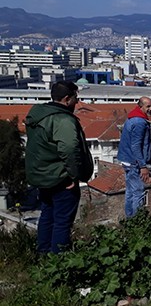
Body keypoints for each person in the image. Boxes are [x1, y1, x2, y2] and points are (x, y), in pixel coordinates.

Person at [25, 81, 94, 254]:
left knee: (47, 215)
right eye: (75, 98)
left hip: (43, 175)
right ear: (66, 99)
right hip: (61, 177)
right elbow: (69, 148)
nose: (77, 102)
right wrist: (73, 174)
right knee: (62, 221)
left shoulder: (39, 114)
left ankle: (43, 255)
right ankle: (59, 260)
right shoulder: (62, 119)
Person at [117, 96, 151, 218]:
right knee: (138, 192)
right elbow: (136, 145)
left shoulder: (132, 118)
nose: (150, 109)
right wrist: (143, 165)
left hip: (127, 159)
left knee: (130, 192)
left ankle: (129, 219)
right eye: (148, 106)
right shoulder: (139, 122)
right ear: (140, 106)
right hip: (134, 162)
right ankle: (137, 221)